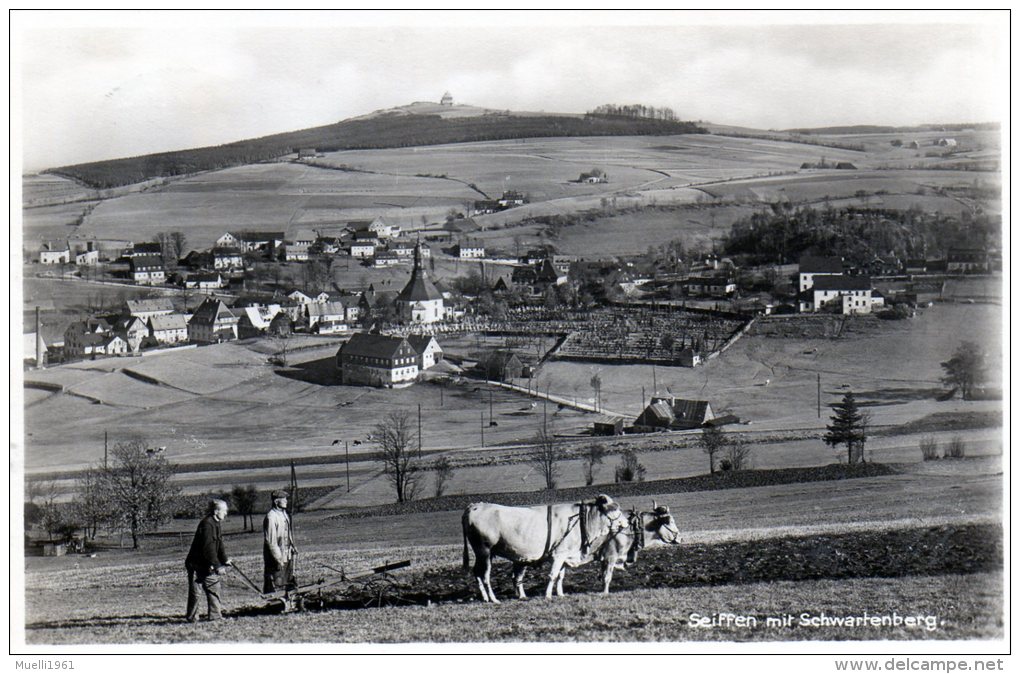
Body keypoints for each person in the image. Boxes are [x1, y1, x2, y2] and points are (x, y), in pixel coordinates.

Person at [185, 499, 232, 622]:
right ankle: (194, 618)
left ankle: (211, 616)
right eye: (224, 510)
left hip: (204, 563)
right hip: (196, 564)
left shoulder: (216, 523)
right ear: (216, 511)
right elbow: (208, 548)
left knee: (211, 587)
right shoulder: (207, 524)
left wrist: (225, 560)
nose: (226, 513)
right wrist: (217, 566)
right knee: (199, 591)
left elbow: (219, 544)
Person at [263, 490, 297, 593]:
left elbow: (288, 532)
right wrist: (278, 558)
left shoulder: (284, 514)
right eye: (284, 499)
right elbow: (271, 541)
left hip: (286, 553)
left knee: (288, 579)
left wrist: (292, 546)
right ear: (276, 501)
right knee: (277, 581)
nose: (286, 501)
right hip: (276, 557)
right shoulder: (271, 517)